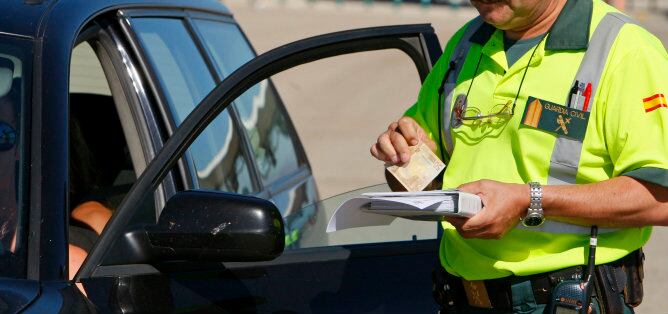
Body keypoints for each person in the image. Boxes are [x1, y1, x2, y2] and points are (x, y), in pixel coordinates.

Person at [371, 0, 668, 312]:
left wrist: (530, 200)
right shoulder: (467, 43)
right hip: (458, 296)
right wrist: (403, 156)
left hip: (565, 300)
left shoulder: (625, 49)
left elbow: (660, 198)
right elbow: (420, 174)